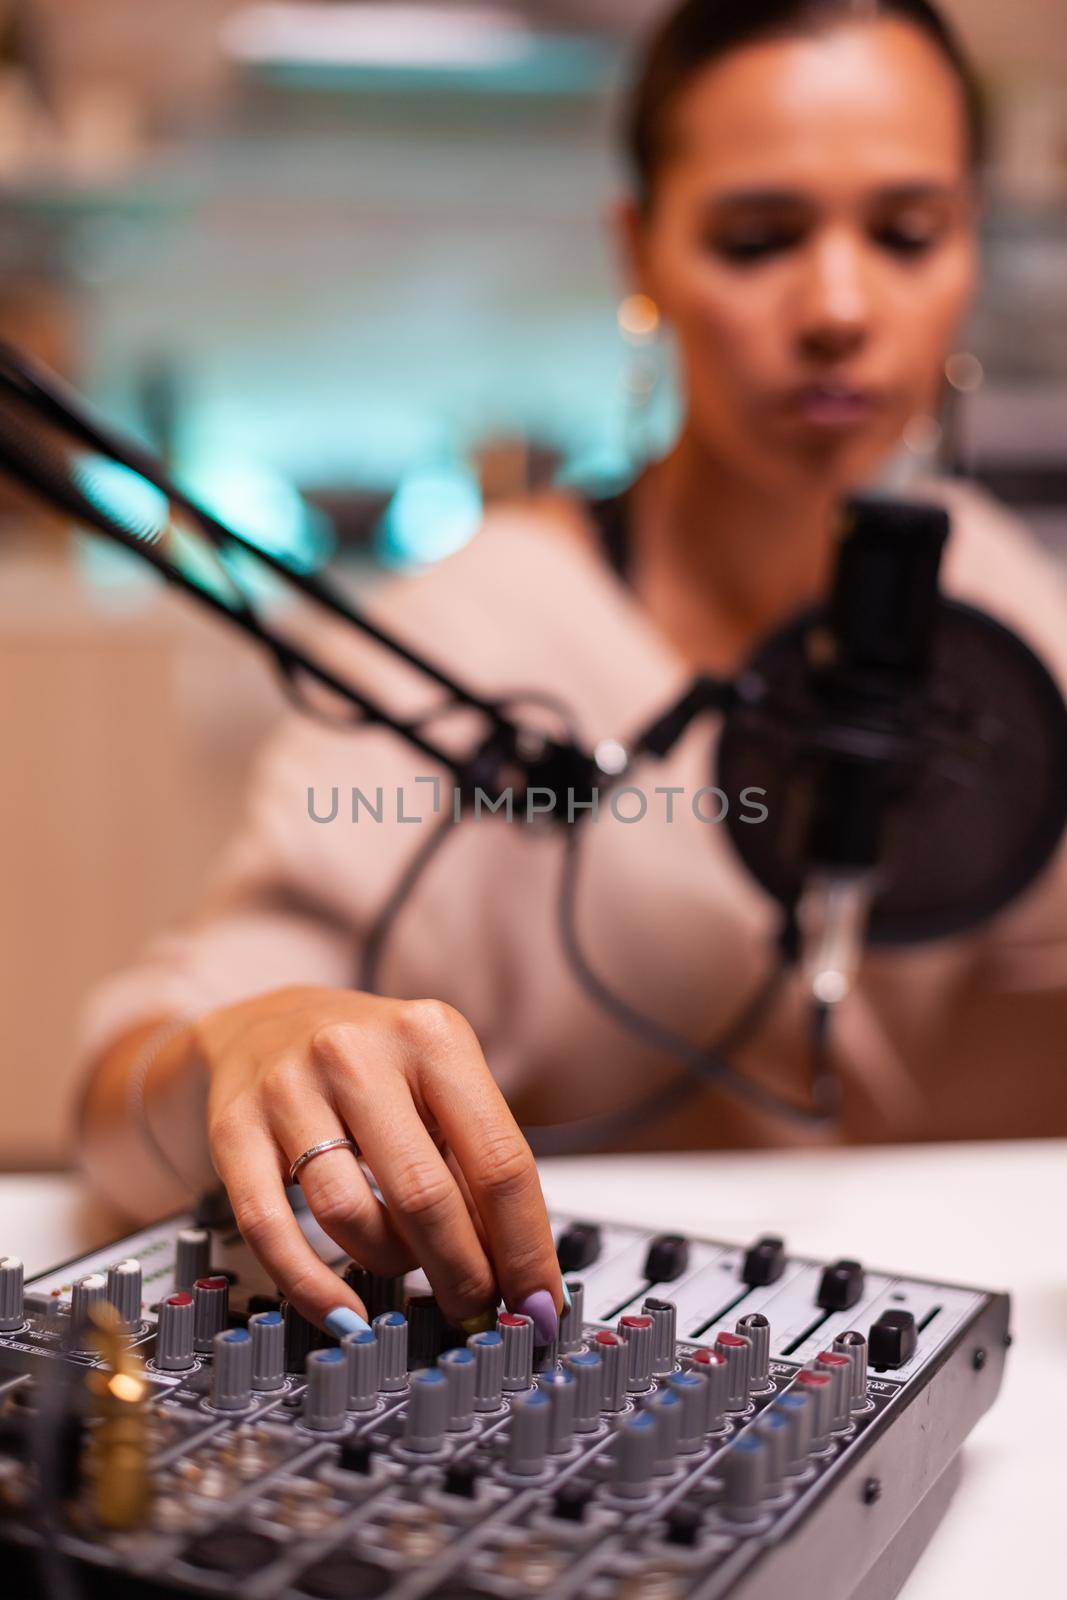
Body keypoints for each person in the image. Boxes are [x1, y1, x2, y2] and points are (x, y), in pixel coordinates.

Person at [77, 0, 1067, 1346]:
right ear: (640, 251)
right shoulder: (467, 637)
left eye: (906, 233)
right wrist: (251, 1050)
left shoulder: (1007, 608)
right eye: (759, 238)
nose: (840, 308)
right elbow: (133, 1083)